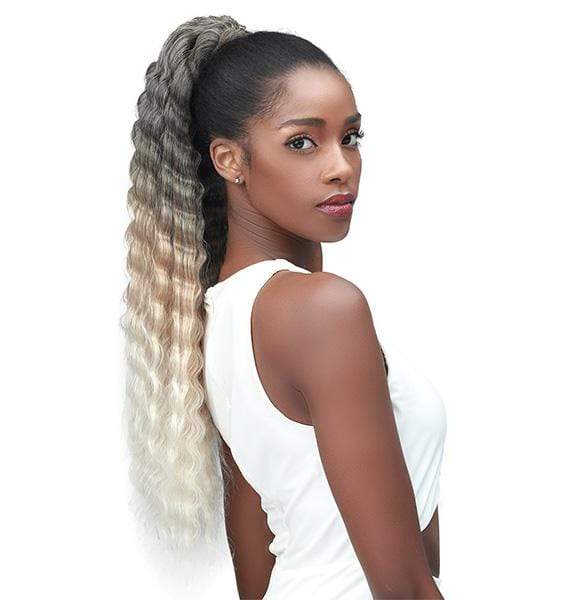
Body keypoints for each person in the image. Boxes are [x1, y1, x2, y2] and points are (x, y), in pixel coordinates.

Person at [121, 14, 447, 599]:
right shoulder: (322, 311)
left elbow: (256, 569)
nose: (340, 167)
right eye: (302, 142)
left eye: (351, 137)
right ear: (230, 160)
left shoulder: (215, 319)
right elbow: (405, 586)